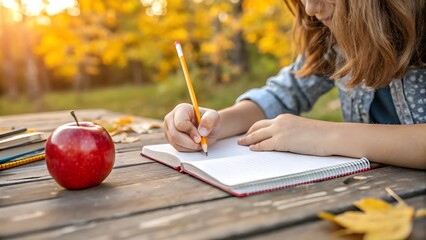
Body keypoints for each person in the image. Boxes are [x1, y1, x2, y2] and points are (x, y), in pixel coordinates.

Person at [163, 0, 426, 170]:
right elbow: (284, 93)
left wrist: (326, 136)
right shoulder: (335, 43)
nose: (310, 8)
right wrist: (216, 122)